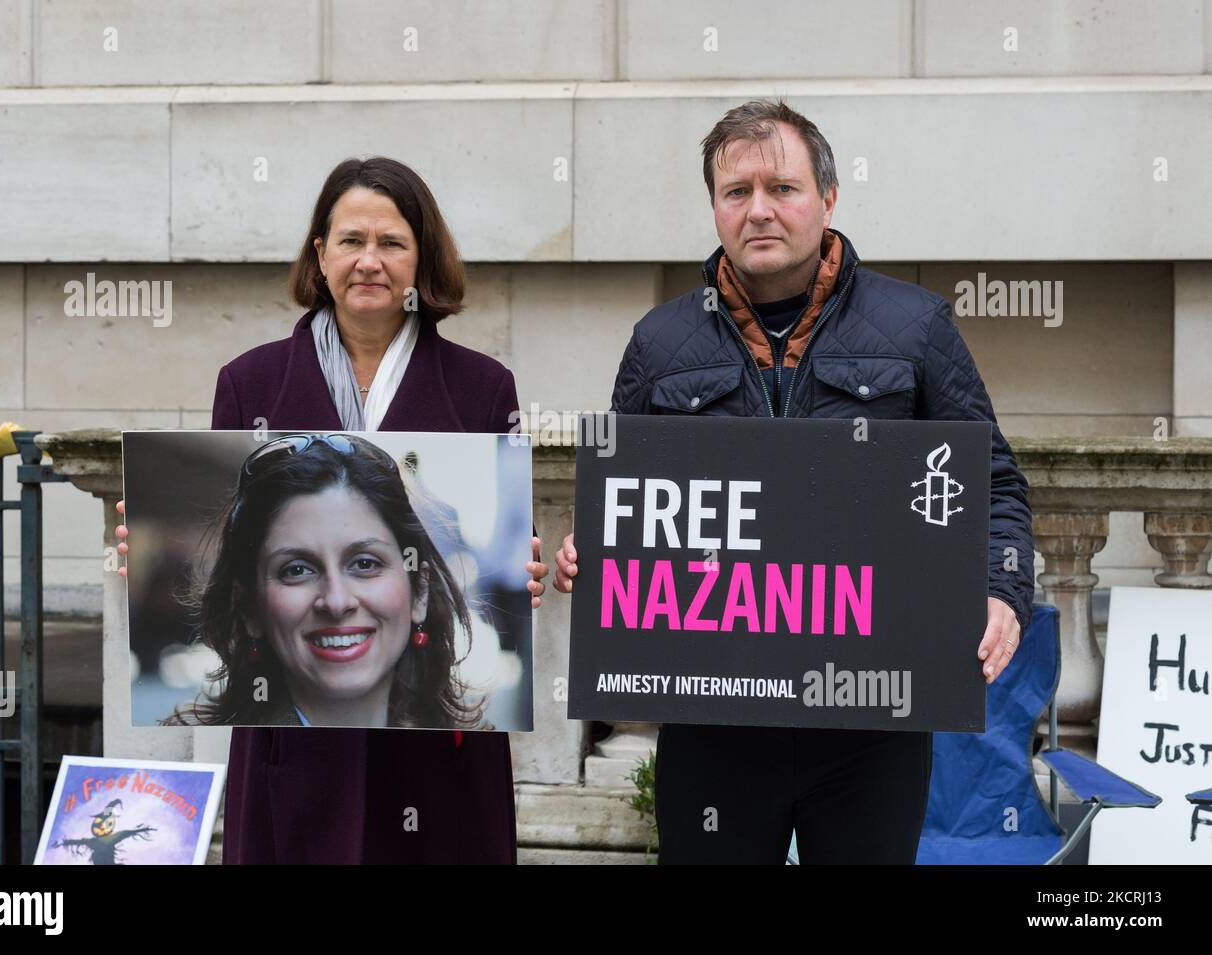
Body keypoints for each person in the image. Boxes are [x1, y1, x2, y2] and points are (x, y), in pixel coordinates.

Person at [552, 100, 1035, 864]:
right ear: (714, 206)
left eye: (782, 187)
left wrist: (1002, 590)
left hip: (872, 713)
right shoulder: (661, 342)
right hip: (714, 717)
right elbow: (629, 498)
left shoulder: (915, 327)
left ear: (829, 198)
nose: (759, 210)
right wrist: (598, 547)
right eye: (736, 192)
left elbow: (995, 486)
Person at [118, 156, 549, 863]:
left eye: (392, 243)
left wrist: (529, 566)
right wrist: (149, 539)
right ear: (320, 255)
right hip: (294, 745)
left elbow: (507, 543)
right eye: (351, 240)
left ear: (422, 259)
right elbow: (231, 546)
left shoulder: (481, 386)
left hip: (435, 752)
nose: (369, 261)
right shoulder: (249, 382)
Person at [162, 432, 485, 730]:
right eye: (297, 570)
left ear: (420, 592)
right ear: (248, 608)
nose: (336, 601)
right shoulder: (182, 758)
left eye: (364, 563)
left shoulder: (479, 756)